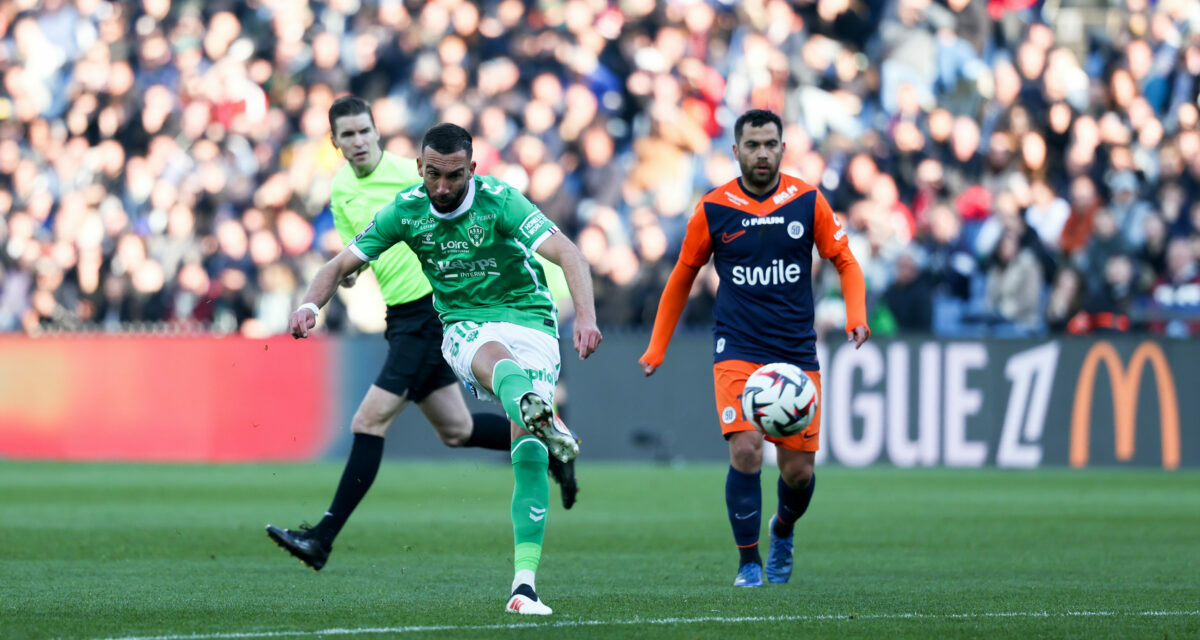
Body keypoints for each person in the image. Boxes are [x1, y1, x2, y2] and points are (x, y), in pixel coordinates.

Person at [287, 122, 601, 616]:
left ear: (472, 169)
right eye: (433, 175)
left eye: (454, 176)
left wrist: (585, 315)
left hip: (531, 318)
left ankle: (524, 585)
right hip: (461, 326)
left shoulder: (500, 200)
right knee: (493, 359)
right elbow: (338, 265)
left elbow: (567, 252)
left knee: (522, 447)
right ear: (419, 168)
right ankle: (532, 407)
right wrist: (311, 306)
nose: (442, 187)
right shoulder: (406, 210)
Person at [638, 109, 869, 588]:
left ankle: (782, 530)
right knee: (745, 449)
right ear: (736, 151)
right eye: (752, 145)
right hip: (738, 348)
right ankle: (748, 562)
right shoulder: (714, 208)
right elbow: (682, 277)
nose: (761, 153)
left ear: (782, 148)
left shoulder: (807, 201)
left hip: (795, 351)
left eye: (769, 144)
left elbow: (845, 262)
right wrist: (657, 346)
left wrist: (856, 316)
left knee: (799, 472)